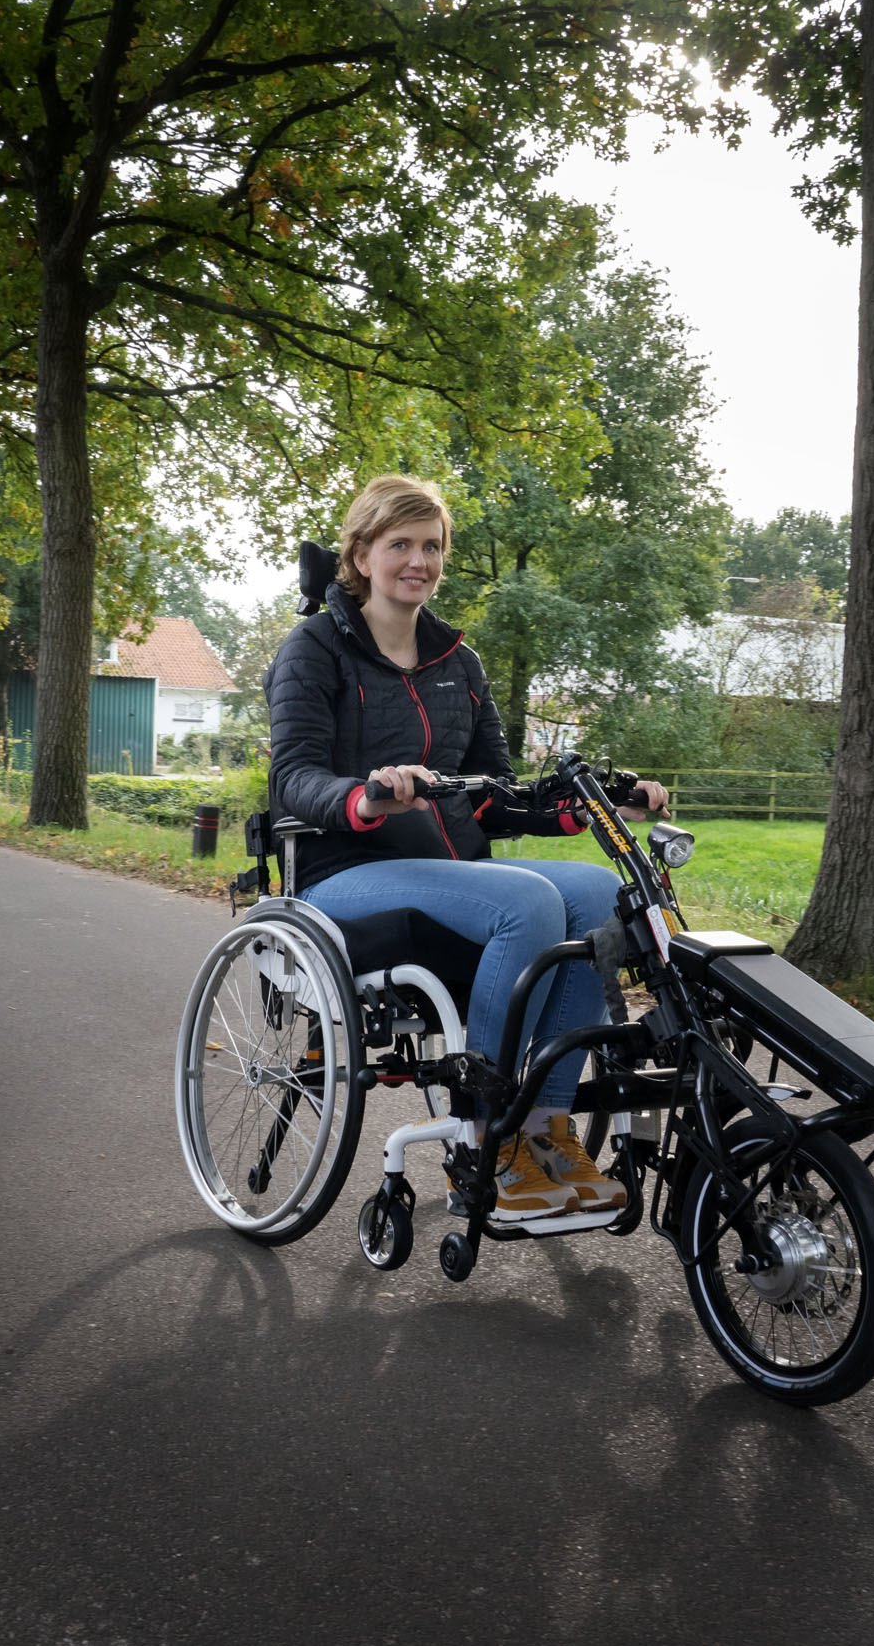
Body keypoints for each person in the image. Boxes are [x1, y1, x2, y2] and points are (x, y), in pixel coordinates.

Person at [265, 474, 667, 1221]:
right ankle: (484, 1138)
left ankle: (544, 1135)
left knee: (593, 895)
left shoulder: (460, 663)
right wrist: (367, 795)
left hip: (449, 867)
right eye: (400, 545)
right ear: (360, 554)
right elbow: (292, 779)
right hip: (341, 873)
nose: (418, 560)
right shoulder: (314, 649)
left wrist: (594, 803)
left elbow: (493, 795)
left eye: (432, 546)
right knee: (527, 901)